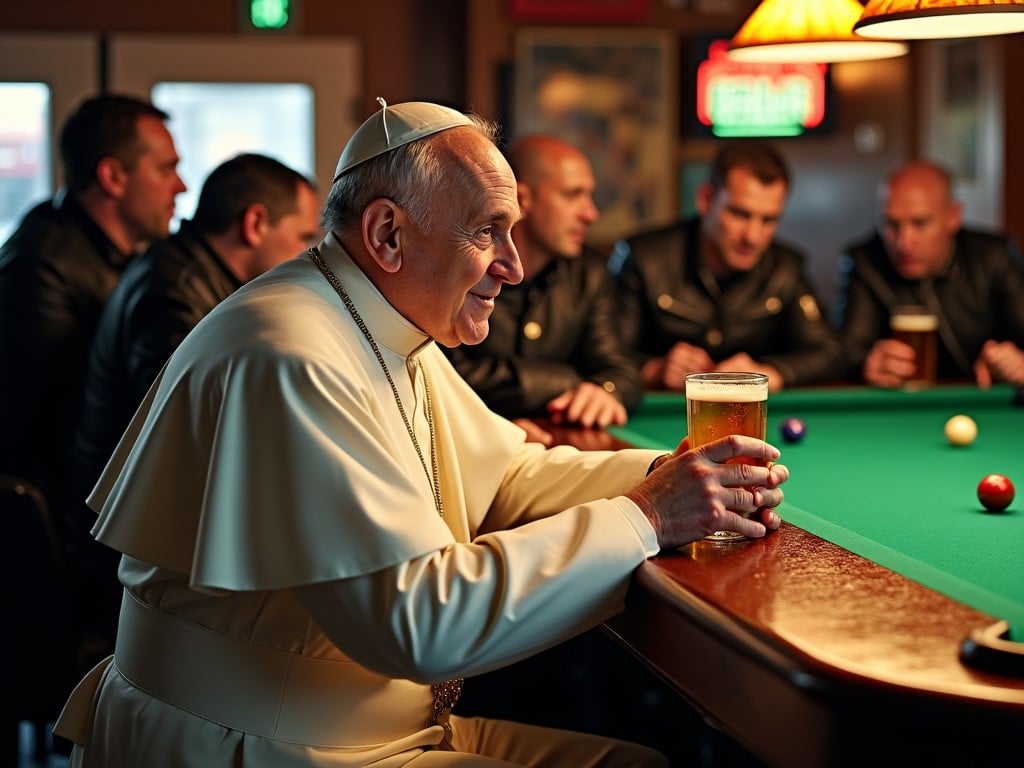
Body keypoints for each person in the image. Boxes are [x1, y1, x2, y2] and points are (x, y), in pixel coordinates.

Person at [54, 100, 788, 767]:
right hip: (265, 744)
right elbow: (420, 625)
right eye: (488, 232)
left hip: (356, 727)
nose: (515, 264)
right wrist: (649, 516)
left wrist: (675, 474)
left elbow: (507, 474)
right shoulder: (293, 352)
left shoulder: (376, 317)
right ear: (387, 233)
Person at [64, 152, 320, 676]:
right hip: (123, 546)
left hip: (144, 523)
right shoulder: (174, 292)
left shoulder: (193, 273)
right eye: (303, 237)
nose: (312, 256)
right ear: (254, 224)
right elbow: (201, 431)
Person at [0, 93, 184, 748]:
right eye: (165, 168)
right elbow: (33, 434)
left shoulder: (122, 257)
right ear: (112, 177)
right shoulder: (41, 266)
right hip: (65, 533)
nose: (180, 185)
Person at [443, 135, 642, 446]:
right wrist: (568, 380)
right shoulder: (462, 268)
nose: (590, 214)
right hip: (469, 450)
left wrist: (604, 391)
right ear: (523, 200)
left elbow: (621, 370)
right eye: (573, 195)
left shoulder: (588, 273)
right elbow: (449, 379)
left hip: (557, 453)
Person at [612, 141, 845, 393]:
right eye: (740, 214)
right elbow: (600, 354)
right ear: (706, 200)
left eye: (768, 220)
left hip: (750, 419)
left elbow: (829, 351)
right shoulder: (643, 258)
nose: (752, 237)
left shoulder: (786, 267)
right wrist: (655, 369)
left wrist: (770, 371)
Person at [833, 159, 1024, 389]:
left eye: (920, 223)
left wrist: (1013, 361)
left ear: (953, 217)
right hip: (897, 411)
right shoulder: (864, 262)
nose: (904, 243)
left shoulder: (995, 256)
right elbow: (845, 352)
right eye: (891, 224)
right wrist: (866, 364)